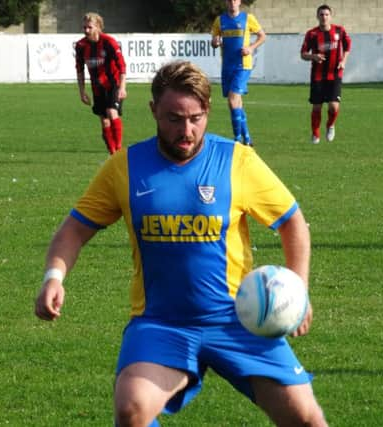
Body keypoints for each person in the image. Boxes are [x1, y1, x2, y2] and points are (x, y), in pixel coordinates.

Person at [35, 60, 328, 427]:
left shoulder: (237, 161)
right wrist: (53, 276)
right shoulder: (125, 167)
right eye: (174, 118)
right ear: (153, 110)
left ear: (207, 111)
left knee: (307, 418)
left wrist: (298, 288)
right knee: (131, 408)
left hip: (239, 321)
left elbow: (293, 223)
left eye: (196, 117)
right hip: (161, 323)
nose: (186, 131)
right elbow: (74, 230)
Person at [211, 0, 266, 147]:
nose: (232, 3)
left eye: (234, 0)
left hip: (243, 65)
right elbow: (214, 41)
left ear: (239, 2)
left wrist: (251, 47)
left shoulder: (248, 18)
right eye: (229, 0)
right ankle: (247, 139)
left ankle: (236, 139)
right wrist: (215, 42)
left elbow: (262, 36)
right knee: (236, 104)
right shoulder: (220, 20)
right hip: (227, 66)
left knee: (232, 100)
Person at [75, 12, 127, 155]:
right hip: (97, 87)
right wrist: (82, 92)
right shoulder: (81, 45)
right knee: (104, 122)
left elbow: (122, 66)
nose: (86, 31)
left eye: (89, 27)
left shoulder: (109, 42)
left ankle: (119, 149)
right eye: (84, 27)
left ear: (98, 27)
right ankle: (112, 153)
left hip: (113, 84)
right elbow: (79, 70)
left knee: (111, 112)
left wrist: (122, 88)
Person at [301, 4, 351, 144]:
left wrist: (344, 61)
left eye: (326, 14)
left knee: (334, 106)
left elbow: (348, 46)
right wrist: (314, 57)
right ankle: (315, 133)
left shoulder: (339, 31)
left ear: (331, 16)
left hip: (335, 74)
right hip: (318, 75)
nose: (324, 17)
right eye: (321, 14)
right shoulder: (312, 34)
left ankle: (330, 125)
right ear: (317, 16)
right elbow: (303, 54)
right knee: (317, 106)